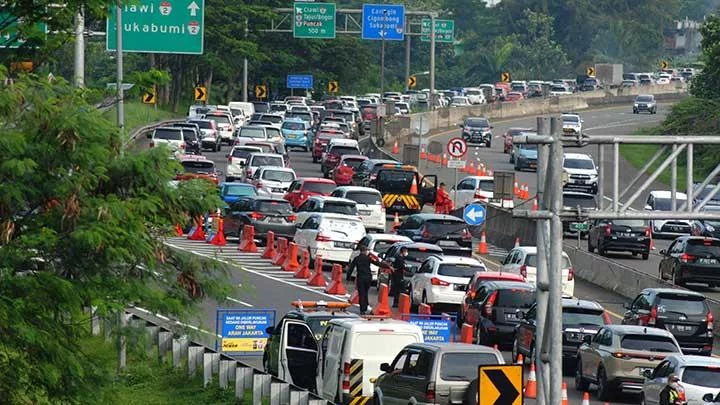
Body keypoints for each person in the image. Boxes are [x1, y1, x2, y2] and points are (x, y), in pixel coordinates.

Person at [347, 245, 387, 314]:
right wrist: (387, 266)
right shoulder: (368, 258)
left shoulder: (357, 258)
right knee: (365, 292)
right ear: (364, 251)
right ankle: (365, 306)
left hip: (361, 278)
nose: (367, 252)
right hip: (368, 277)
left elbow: (351, 268)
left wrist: (348, 277)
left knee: (361, 293)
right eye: (367, 251)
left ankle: (362, 309)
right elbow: (377, 263)